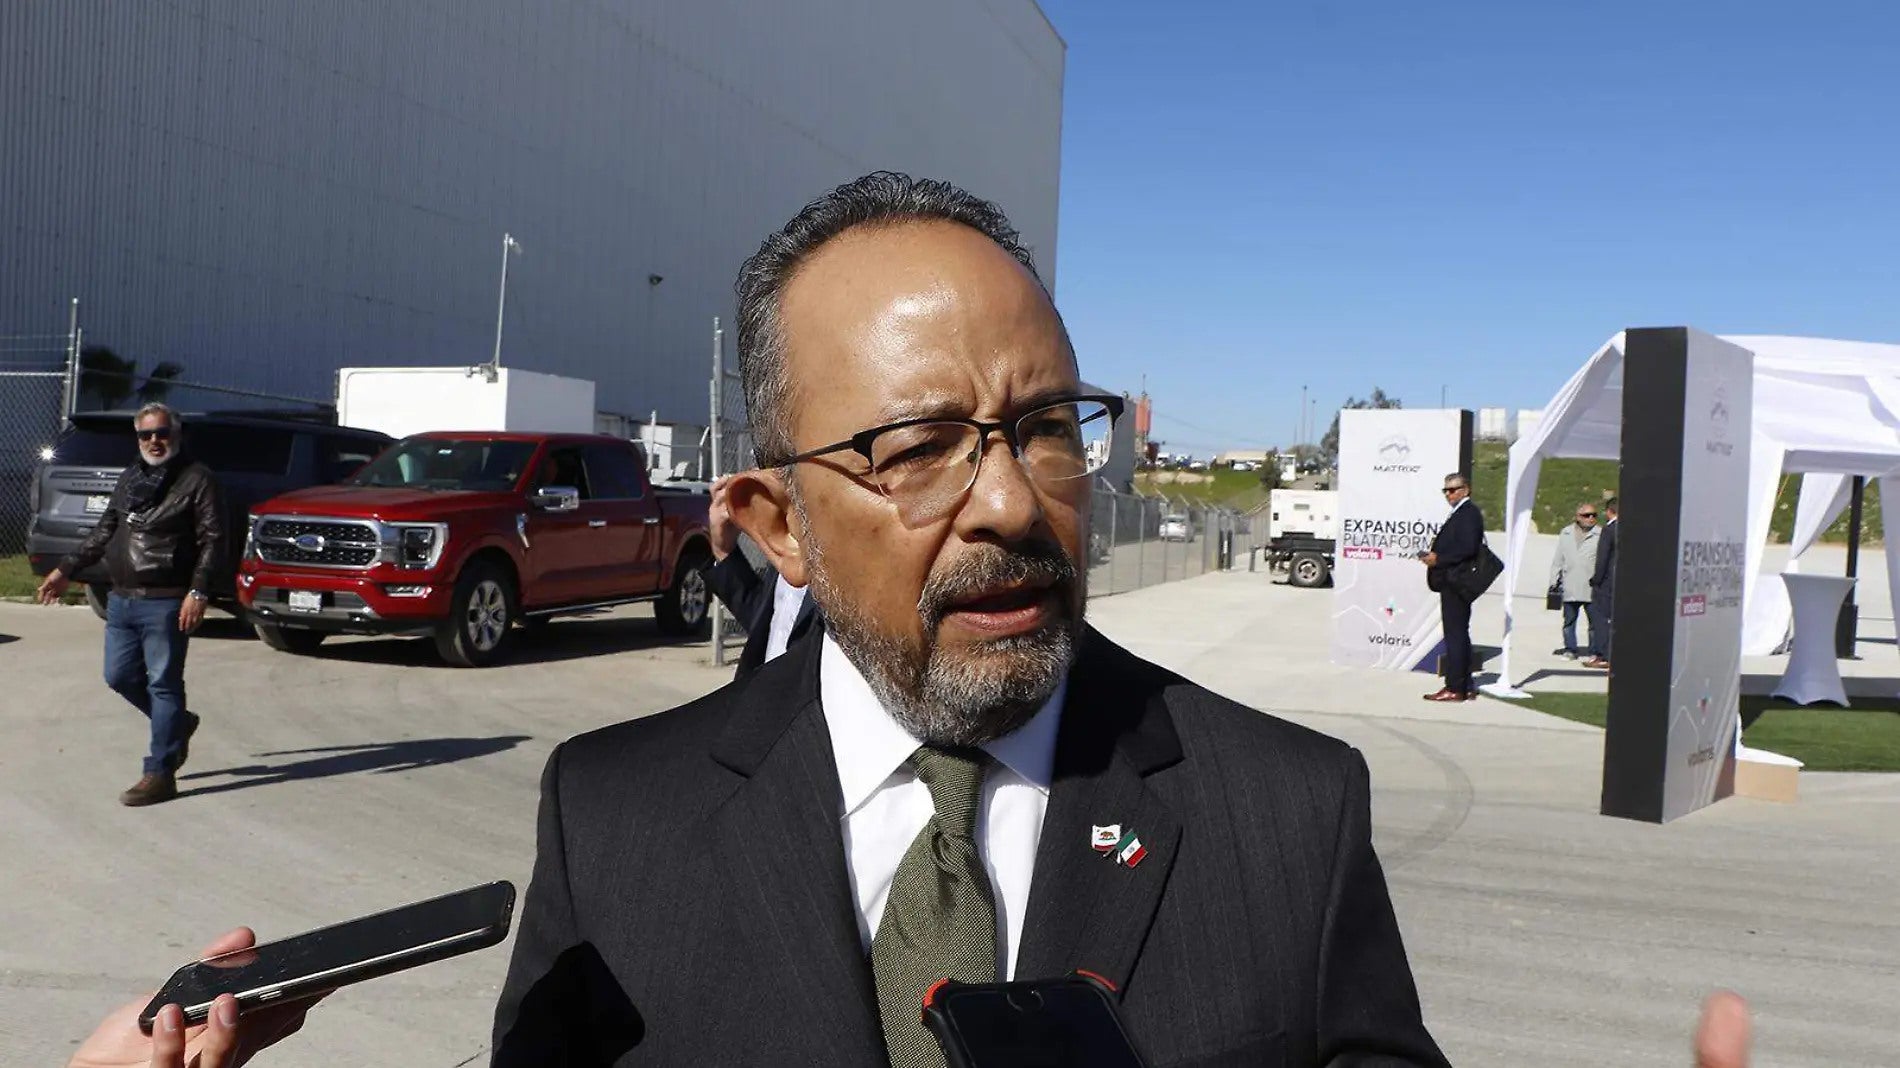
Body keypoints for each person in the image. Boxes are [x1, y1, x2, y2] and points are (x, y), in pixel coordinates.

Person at [71, 175, 1753, 1067]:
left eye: (1042, 427)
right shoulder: (617, 815)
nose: (1011, 498)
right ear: (772, 525)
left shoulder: (1287, 812)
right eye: (917, 447)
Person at [36, 402, 223, 806]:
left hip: (166, 600)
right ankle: (178, 724)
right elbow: (105, 530)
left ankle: (160, 772)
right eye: (145, 434)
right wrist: (67, 568)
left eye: (162, 433)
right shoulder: (131, 476)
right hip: (121, 598)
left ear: (176, 434)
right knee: (118, 676)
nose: (154, 441)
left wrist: (198, 591)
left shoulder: (197, 479)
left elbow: (213, 539)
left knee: (163, 684)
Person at [704, 472, 817, 675]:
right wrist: (724, 551)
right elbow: (767, 622)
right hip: (767, 687)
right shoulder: (786, 538)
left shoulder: (842, 556)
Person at [1421, 472, 1484, 701]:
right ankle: (1466, 684)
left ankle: (1455, 687)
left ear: (1466, 489)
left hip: (1457, 580)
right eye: (1445, 490)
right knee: (1460, 633)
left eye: (1453, 489)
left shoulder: (1468, 513)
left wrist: (1439, 559)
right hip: (1452, 579)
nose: (1449, 494)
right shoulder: (1461, 512)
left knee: (1455, 635)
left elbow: (1468, 548)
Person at [1549, 501, 1602, 659]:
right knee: (1569, 621)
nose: (1591, 518)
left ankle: (1594, 651)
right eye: (1587, 515)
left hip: (1591, 587)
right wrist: (1553, 581)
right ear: (1578, 517)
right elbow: (1558, 559)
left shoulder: (1600, 534)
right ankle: (1570, 649)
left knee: (1594, 624)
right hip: (1570, 585)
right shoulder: (1566, 533)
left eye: (1594, 515)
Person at [1584, 496, 1620, 670]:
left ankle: (1604, 654)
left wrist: (1596, 580)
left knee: (1600, 619)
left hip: (1607, 583)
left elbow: (1602, 559)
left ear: (1609, 511)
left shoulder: (1609, 530)